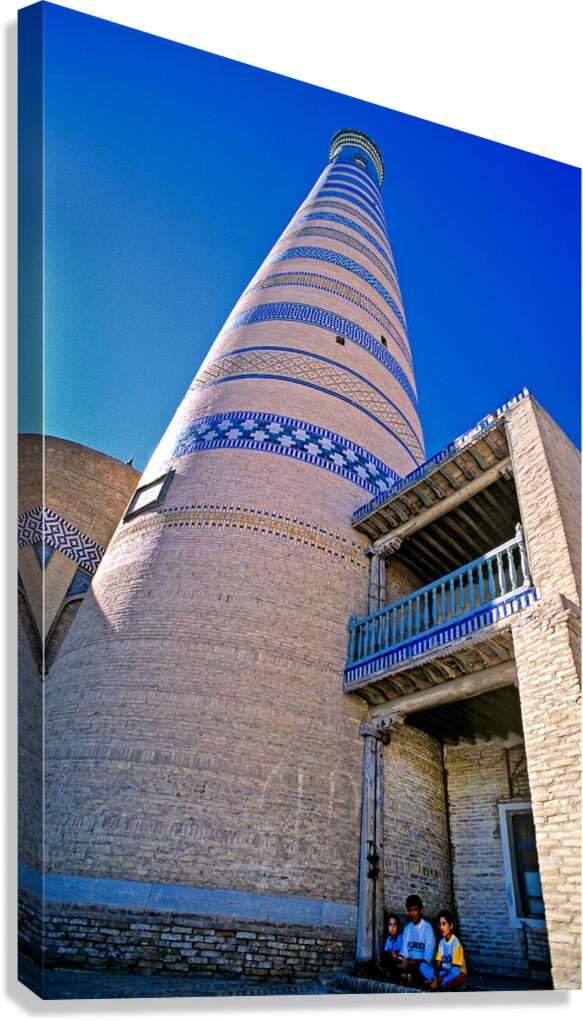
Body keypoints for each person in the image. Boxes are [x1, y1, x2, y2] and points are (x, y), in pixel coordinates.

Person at [400, 894, 436, 988]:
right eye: (410, 910)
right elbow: (405, 955)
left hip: (423, 968)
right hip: (410, 967)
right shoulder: (407, 929)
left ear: (420, 910)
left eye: (415, 909)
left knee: (422, 967)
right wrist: (403, 960)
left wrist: (411, 963)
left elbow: (427, 958)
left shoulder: (428, 928)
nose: (413, 914)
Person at [431, 909, 467, 992]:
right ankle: (438, 981)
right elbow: (438, 962)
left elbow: (455, 966)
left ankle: (444, 982)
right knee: (424, 967)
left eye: (444, 924)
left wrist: (440, 978)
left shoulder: (455, 943)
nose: (441, 927)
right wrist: (436, 977)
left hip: (455, 972)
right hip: (444, 971)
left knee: (455, 971)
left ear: (451, 926)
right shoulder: (441, 943)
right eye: (440, 924)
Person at [380, 913, 403, 983]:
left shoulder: (400, 937)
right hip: (390, 961)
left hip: (398, 962)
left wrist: (393, 954)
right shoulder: (388, 939)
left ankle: (390, 973)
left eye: (394, 924)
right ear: (387, 927)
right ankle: (387, 972)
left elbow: (398, 954)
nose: (392, 927)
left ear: (398, 926)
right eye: (390, 925)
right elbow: (385, 953)